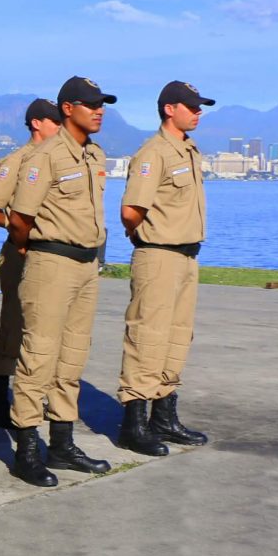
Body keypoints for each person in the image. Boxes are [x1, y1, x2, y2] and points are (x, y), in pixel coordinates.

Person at [5, 76, 114, 485]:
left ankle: (63, 442)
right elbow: (19, 218)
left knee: (72, 358)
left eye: (102, 104)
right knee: (39, 356)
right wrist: (30, 250)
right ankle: (27, 446)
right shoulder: (46, 156)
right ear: (68, 109)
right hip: (51, 263)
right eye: (91, 104)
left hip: (86, 266)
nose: (99, 110)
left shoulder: (94, 155)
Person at [116, 80, 213, 455]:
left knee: (177, 336)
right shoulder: (153, 152)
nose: (198, 112)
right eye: (192, 106)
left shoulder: (189, 150)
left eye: (200, 106)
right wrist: (148, 237)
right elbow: (130, 211)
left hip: (187, 255)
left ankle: (163, 414)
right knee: (148, 336)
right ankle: (134, 421)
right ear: (169, 109)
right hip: (158, 253)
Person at [0, 98, 63, 430]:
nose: (60, 127)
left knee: (46, 329)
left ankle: (37, 398)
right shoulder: (16, 160)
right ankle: (0, 400)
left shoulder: (58, 159)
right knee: (15, 324)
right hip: (20, 251)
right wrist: (17, 229)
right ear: (38, 123)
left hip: (50, 255)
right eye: (55, 121)